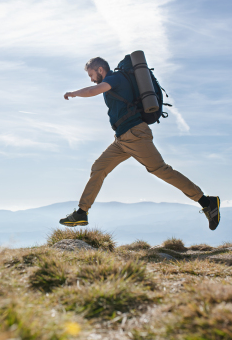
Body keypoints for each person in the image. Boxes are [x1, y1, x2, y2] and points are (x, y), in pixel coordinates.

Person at [59, 57, 220, 230]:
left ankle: (206, 202)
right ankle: (82, 213)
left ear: (100, 69)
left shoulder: (115, 78)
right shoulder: (114, 80)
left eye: (91, 74)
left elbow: (93, 91)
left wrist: (73, 93)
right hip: (121, 140)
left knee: (161, 170)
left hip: (135, 135)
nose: (91, 79)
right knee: (99, 167)